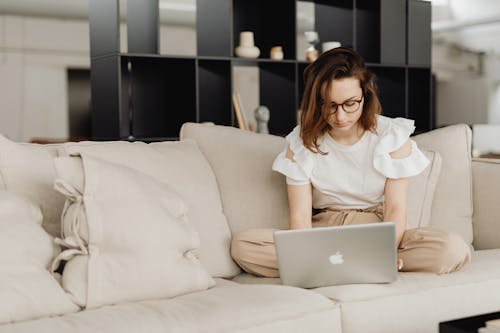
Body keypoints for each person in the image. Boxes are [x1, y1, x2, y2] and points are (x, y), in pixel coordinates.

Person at [230, 47, 471, 278]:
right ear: (317, 101)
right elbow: (301, 217)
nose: (340, 116)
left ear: (365, 96)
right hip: (323, 231)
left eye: (350, 103)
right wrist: (304, 250)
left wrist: (384, 252)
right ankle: (346, 265)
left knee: (452, 249)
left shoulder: (392, 136)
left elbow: (395, 209)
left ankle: (335, 266)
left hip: (379, 230)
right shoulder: (301, 142)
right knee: (244, 246)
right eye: (330, 105)